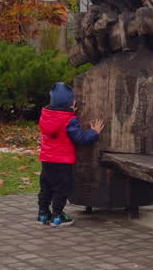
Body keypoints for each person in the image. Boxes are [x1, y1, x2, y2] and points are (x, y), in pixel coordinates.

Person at [37, 82, 104, 226]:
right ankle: (57, 216)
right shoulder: (70, 120)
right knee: (61, 188)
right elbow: (80, 138)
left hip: (47, 160)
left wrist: (69, 110)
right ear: (69, 103)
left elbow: (57, 122)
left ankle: (43, 214)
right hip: (62, 162)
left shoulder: (46, 117)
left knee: (46, 187)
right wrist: (94, 132)